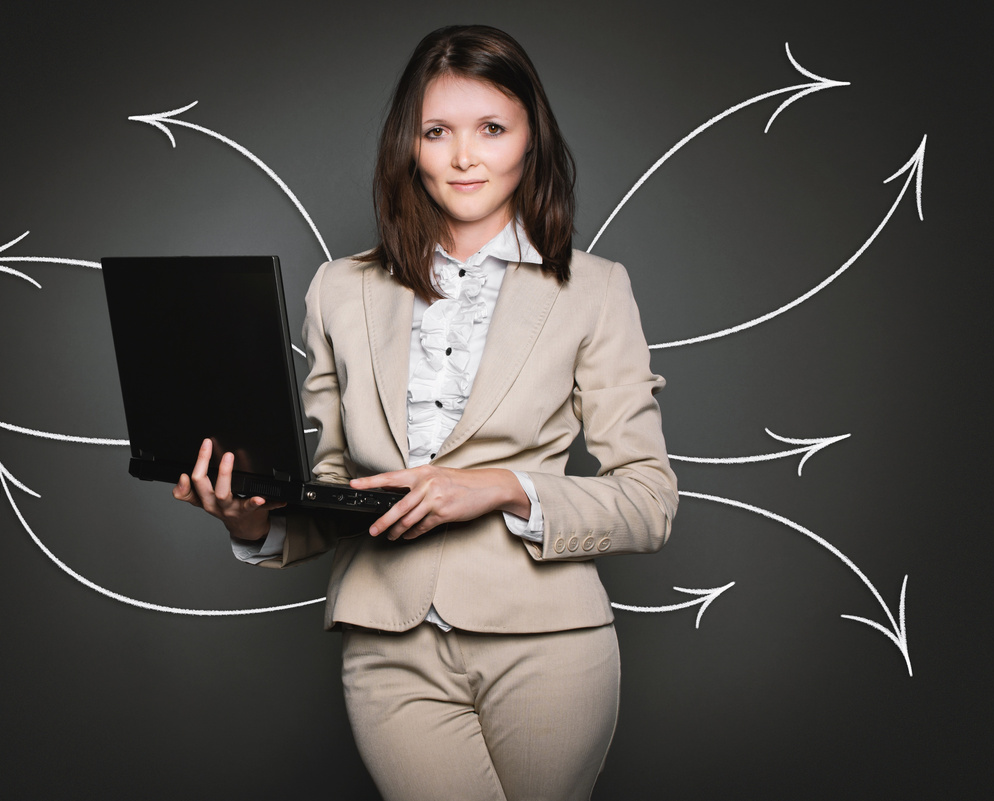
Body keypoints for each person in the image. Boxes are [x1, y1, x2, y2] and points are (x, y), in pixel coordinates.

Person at [173, 24, 677, 801]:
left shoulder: (596, 288)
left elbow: (649, 500)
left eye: (492, 129)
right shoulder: (339, 289)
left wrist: (504, 486)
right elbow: (340, 489)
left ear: (531, 141)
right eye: (437, 131)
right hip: (386, 639)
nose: (464, 156)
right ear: (409, 145)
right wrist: (250, 521)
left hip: (548, 642)